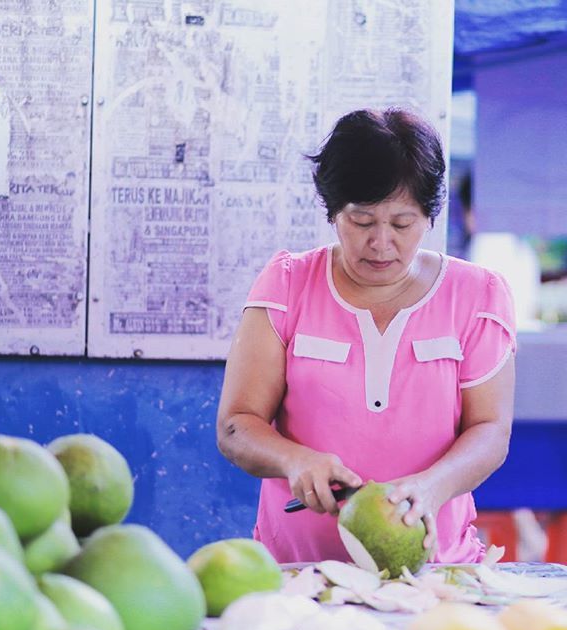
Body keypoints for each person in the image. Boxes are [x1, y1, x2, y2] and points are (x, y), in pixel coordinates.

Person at [216, 108, 516, 564]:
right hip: (299, 575)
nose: (380, 243)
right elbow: (237, 425)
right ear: (333, 209)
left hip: (436, 573)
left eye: (401, 223)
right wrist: (295, 461)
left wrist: (433, 488)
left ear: (431, 217)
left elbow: (490, 430)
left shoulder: (477, 296)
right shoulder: (288, 284)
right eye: (361, 221)